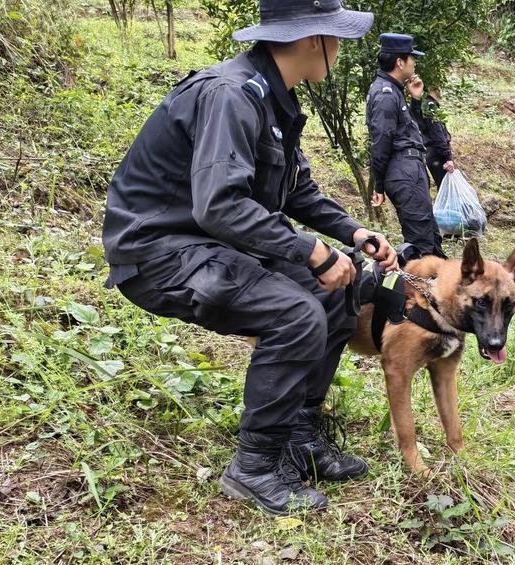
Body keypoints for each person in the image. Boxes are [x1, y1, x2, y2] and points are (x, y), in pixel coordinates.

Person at [101, 0, 398, 516]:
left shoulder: (273, 99)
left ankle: (297, 436)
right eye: (336, 36)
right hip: (159, 249)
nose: (340, 47)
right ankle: (254, 468)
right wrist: (311, 249)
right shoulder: (232, 94)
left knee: (336, 292)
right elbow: (219, 204)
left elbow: (297, 189)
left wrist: (351, 232)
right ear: (311, 41)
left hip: (211, 239)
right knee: (295, 311)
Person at [367, 33, 445, 260]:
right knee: (421, 244)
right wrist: (378, 185)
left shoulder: (394, 92)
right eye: (412, 58)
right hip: (403, 171)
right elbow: (381, 142)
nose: (414, 62)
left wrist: (416, 100)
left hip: (410, 169)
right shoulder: (385, 94)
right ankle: (416, 292)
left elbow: (408, 130)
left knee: (430, 235)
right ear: (400, 62)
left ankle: (438, 291)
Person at [410, 85, 454, 189]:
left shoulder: (426, 104)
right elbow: (437, 133)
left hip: (434, 153)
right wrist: (447, 157)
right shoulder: (429, 105)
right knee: (447, 189)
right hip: (437, 154)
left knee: (446, 188)